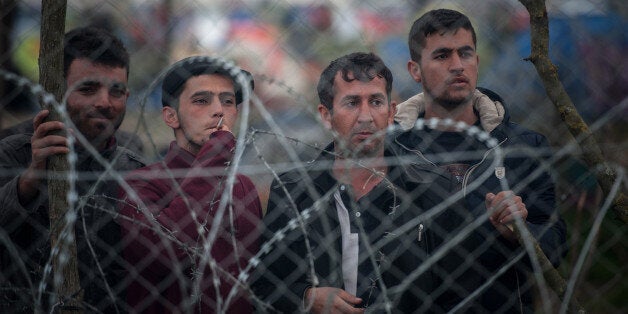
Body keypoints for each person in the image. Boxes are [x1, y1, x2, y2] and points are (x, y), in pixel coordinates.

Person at [253, 52, 471, 313]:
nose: (366, 116)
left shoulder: (432, 190)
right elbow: (264, 286)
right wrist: (306, 298)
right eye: (352, 103)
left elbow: (462, 290)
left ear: (391, 113)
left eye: (376, 102)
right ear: (326, 115)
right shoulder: (292, 192)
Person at [392, 9, 567, 312]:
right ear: (415, 70)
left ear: (477, 61)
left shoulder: (522, 148)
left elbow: (557, 247)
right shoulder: (393, 150)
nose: (457, 65)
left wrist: (519, 231)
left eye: (466, 53)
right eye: (442, 56)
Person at [0, 27, 144, 312]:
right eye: (88, 89)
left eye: (116, 91)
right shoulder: (13, 152)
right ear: (55, 91)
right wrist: (30, 180)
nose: (104, 102)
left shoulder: (133, 167)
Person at [118, 56, 262, 313]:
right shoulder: (141, 184)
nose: (219, 110)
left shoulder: (243, 187)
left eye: (228, 101)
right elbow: (166, 252)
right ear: (171, 116)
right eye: (201, 100)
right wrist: (217, 152)